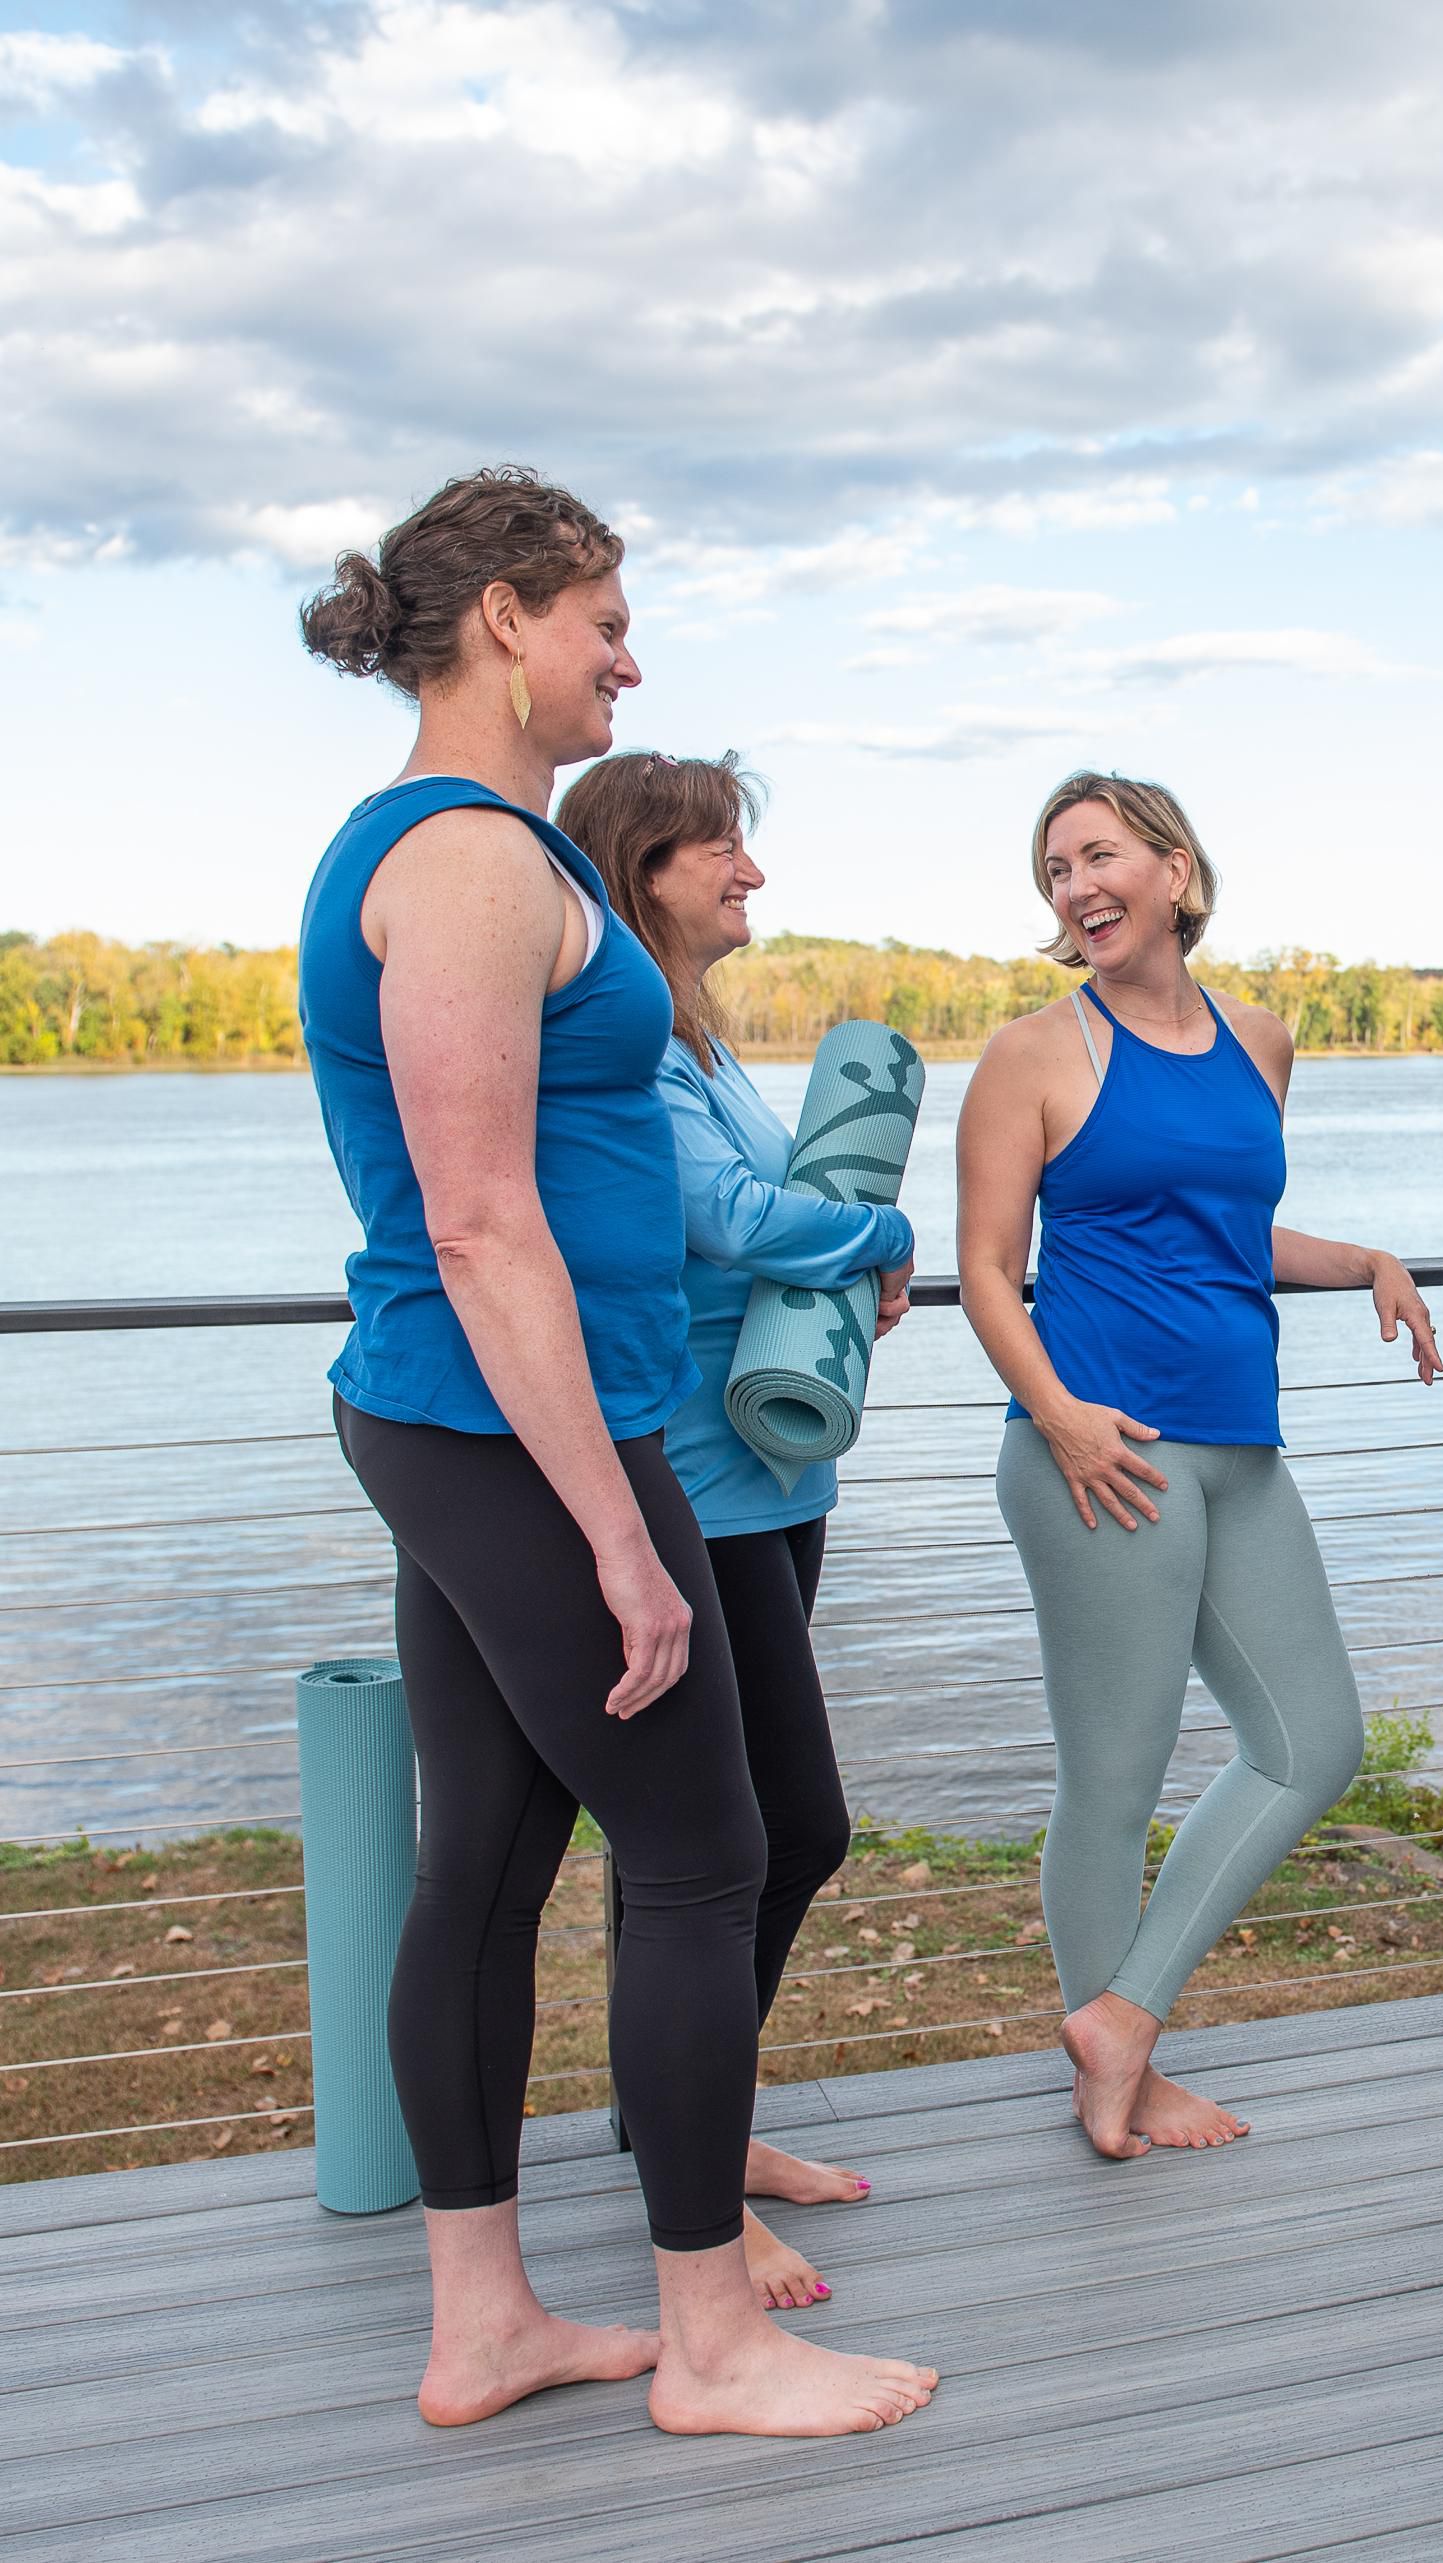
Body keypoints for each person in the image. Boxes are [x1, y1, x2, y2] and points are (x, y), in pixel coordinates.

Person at [298, 468, 935, 2437]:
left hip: (453, 1413)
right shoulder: (475, 861)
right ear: (503, 617)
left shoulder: (455, 849)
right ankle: (712, 2344)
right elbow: (485, 1223)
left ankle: (482, 2321)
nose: (624, 658)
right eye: (602, 621)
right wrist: (622, 1532)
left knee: (484, 1859)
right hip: (512, 1426)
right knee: (702, 1850)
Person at [956, 770, 1442, 2160]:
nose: (1076, 888)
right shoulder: (1034, 1054)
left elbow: (1228, 1231)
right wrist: (1055, 1414)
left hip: (1240, 1446)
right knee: (1115, 1777)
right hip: (1102, 1454)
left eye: (1099, 856)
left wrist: (1364, 1262)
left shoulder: (1262, 1040)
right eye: (1055, 871)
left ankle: (1123, 2020)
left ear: (1174, 869)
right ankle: (1119, 2062)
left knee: (1313, 1741)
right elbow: (989, 1270)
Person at [559, 748, 916, 2314]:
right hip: (691, 1487)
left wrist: (848, 1276)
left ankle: (702, 2125)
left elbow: (776, 1233)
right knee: (773, 1830)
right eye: (723, 852)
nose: (750, 874)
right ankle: (686, 2165)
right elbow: (738, 1225)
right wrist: (892, 1233)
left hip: (777, 1482)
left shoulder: (705, 1042)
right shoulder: (634, 1050)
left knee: (720, 1841)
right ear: (646, 867)